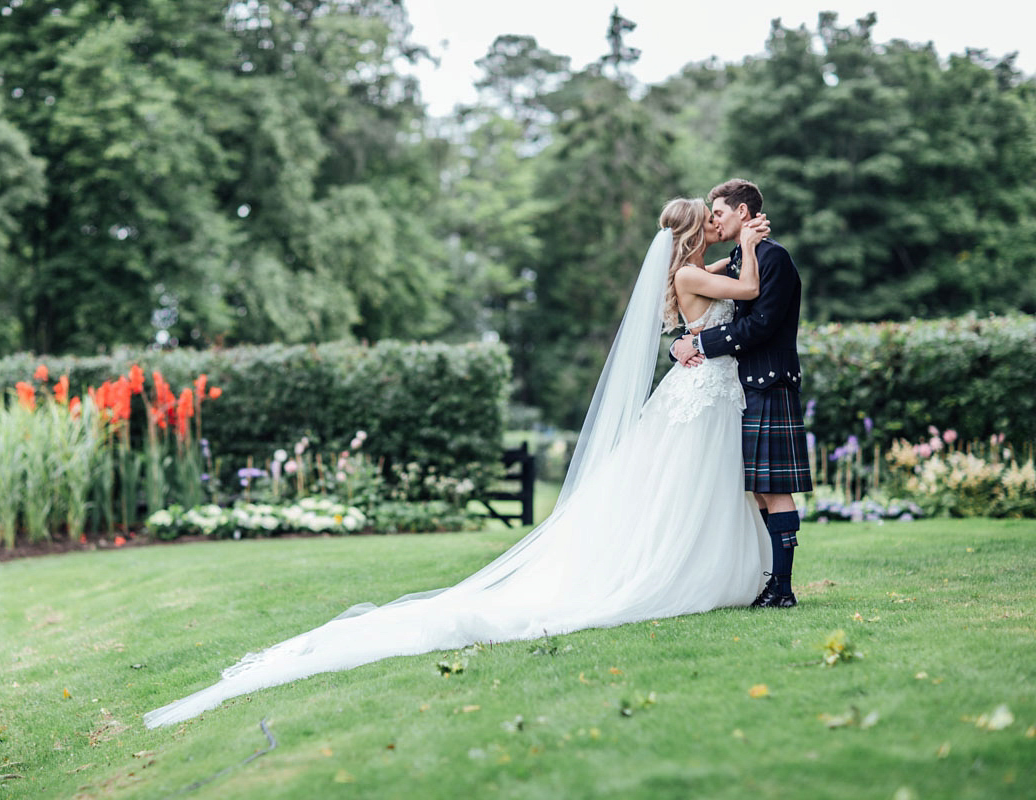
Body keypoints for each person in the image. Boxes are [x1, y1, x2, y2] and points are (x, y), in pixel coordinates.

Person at [143, 198, 773, 729]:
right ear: (698, 234)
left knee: (683, 488)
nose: (720, 226)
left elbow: (717, 285)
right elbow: (744, 288)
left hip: (701, 396)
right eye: (712, 222)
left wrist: (730, 250)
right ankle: (690, 569)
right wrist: (748, 243)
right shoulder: (696, 277)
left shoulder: (685, 273)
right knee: (682, 487)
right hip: (699, 397)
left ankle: (710, 563)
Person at [670, 179, 813, 608]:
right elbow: (697, 299)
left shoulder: (774, 259)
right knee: (757, 489)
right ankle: (772, 581)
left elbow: (760, 326)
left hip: (769, 382)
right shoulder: (738, 257)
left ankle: (782, 588)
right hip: (740, 388)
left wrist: (697, 345)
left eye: (719, 212)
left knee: (773, 486)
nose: (714, 219)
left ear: (742, 214)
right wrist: (681, 338)